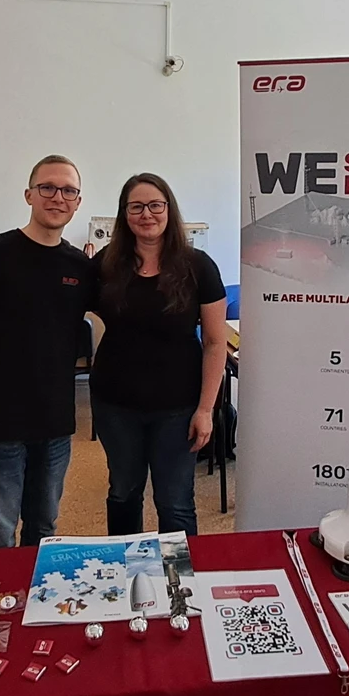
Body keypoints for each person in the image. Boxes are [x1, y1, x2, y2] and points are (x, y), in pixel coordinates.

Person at [0, 155, 96, 548]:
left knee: (44, 530)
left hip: (55, 424)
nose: (58, 197)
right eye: (48, 187)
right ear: (29, 194)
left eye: (68, 190)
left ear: (78, 202)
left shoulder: (80, 267)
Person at [91, 173, 228, 536]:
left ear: (169, 209)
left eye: (155, 205)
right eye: (136, 206)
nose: (146, 214)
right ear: (124, 214)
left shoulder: (199, 266)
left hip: (178, 408)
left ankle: (178, 572)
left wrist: (205, 410)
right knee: (123, 493)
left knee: (174, 502)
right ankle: (124, 567)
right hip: (115, 405)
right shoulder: (105, 264)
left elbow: (215, 342)